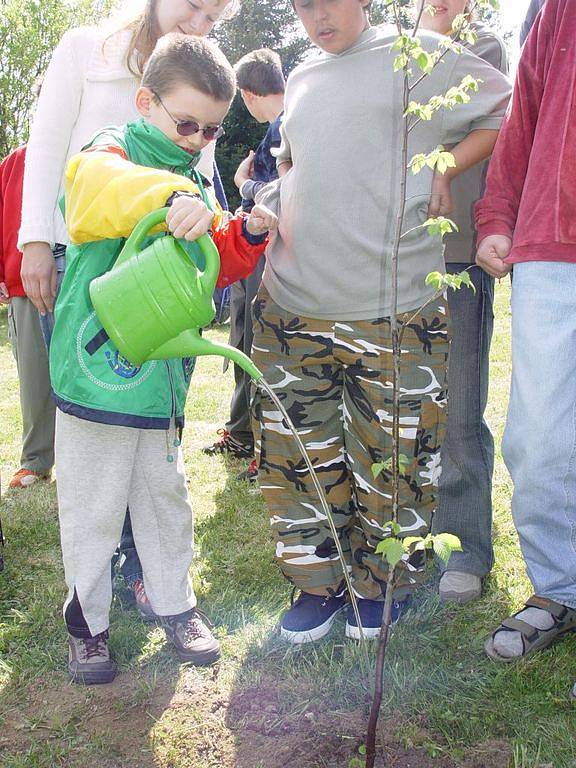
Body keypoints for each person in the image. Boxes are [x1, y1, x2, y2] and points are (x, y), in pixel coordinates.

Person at [252, 0, 511, 644]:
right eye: (301, 6)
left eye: (327, 2)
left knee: (393, 461)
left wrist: (446, 165)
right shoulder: (305, 75)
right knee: (299, 458)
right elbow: (290, 165)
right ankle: (318, 586)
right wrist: (269, 203)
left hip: (395, 309)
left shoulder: (416, 55)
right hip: (291, 305)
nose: (316, 17)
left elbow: (508, 112)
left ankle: (380, 587)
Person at [51, 32, 276, 684]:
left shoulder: (196, 178)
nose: (197, 140)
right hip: (96, 376)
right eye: (185, 124)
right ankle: (86, 624)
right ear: (145, 100)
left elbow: (212, 262)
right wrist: (165, 199)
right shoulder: (111, 150)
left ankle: (175, 603)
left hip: (160, 384)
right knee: (93, 504)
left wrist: (246, 234)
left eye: (210, 131)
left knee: (163, 496)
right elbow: (90, 191)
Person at [17, 0, 240, 615]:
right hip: (86, 275)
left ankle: (157, 585)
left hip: (159, 300)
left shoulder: (196, 103)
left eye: (215, 17)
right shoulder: (87, 51)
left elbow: (204, 201)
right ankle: (90, 601)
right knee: (95, 456)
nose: (201, 22)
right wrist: (35, 239)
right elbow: (68, 165)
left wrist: (232, 231)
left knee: (155, 467)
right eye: (196, 6)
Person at [475, 0, 576, 667]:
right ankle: (560, 587)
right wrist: (496, 217)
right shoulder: (557, 12)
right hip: (550, 248)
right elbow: (524, 122)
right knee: (538, 437)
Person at [417, 1, 508, 604]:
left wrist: (442, 168)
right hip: (398, 258)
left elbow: (494, 122)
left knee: (459, 409)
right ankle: (413, 532)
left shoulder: (489, 52)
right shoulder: (391, 51)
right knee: (403, 407)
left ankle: (466, 546)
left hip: (460, 255)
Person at [203, 48, 284, 477]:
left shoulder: (282, 129)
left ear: (249, 95)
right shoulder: (281, 126)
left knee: (254, 346)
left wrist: (242, 183)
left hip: (266, 257)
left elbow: (280, 196)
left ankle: (261, 449)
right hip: (255, 256)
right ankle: (241, 435)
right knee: (242, 339)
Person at [1, 145, 56, 489]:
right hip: (23, 284)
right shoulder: (13, 163)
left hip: (82, 280)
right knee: (35, 377)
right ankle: (36, 459)